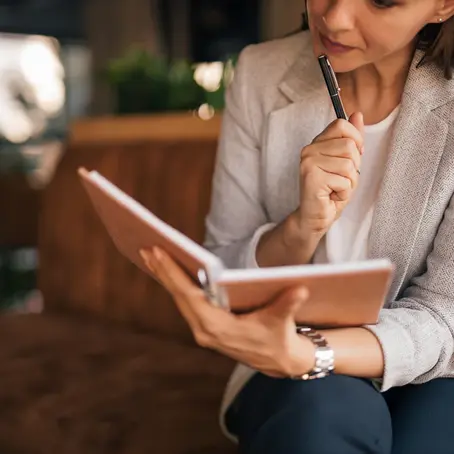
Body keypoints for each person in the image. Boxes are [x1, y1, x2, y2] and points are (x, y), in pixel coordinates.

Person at [140, 1, 454, 453]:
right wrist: (301, 227)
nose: (335, 16)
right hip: (291, 367)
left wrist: (311, 353)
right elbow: (225, 264)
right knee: (321, 412)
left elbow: (445, 316)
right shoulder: (261, 75)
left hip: (432, 363)